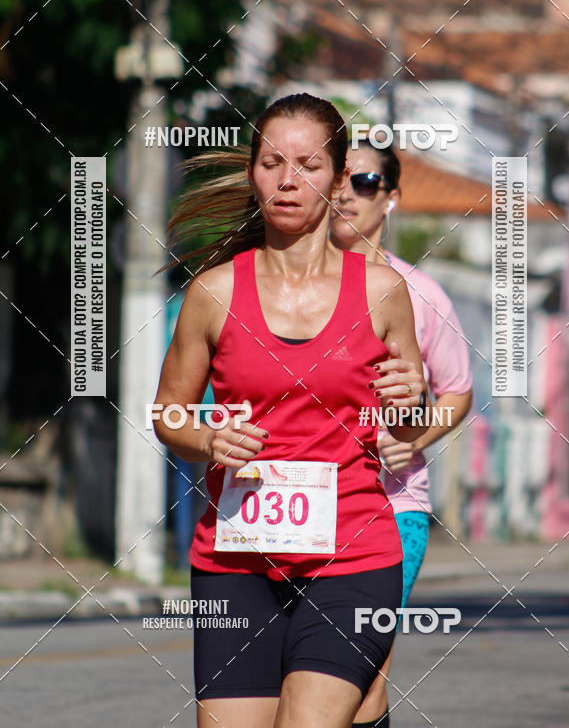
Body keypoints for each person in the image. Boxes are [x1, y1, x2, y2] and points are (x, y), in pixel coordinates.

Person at [152, 93, 431, 728]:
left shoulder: (383, 292)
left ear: (336, 177)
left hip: (352, 557)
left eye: (307, 164)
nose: (287, 180)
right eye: (272, 162)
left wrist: (411, 403)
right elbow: (169, 414)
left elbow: (407, 430)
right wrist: (209, 439)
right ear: (252, 173)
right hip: (235, 559)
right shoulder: (213, 293)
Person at [330, 138, 473, 727]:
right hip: (297, 500)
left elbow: (457, 391)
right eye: (339, 178)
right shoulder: (281, 285)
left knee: (361, 675)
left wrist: (412, 441)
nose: (347, 193)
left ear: (390, 199)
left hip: (392, 505)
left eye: (364, 183)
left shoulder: (422, 295)